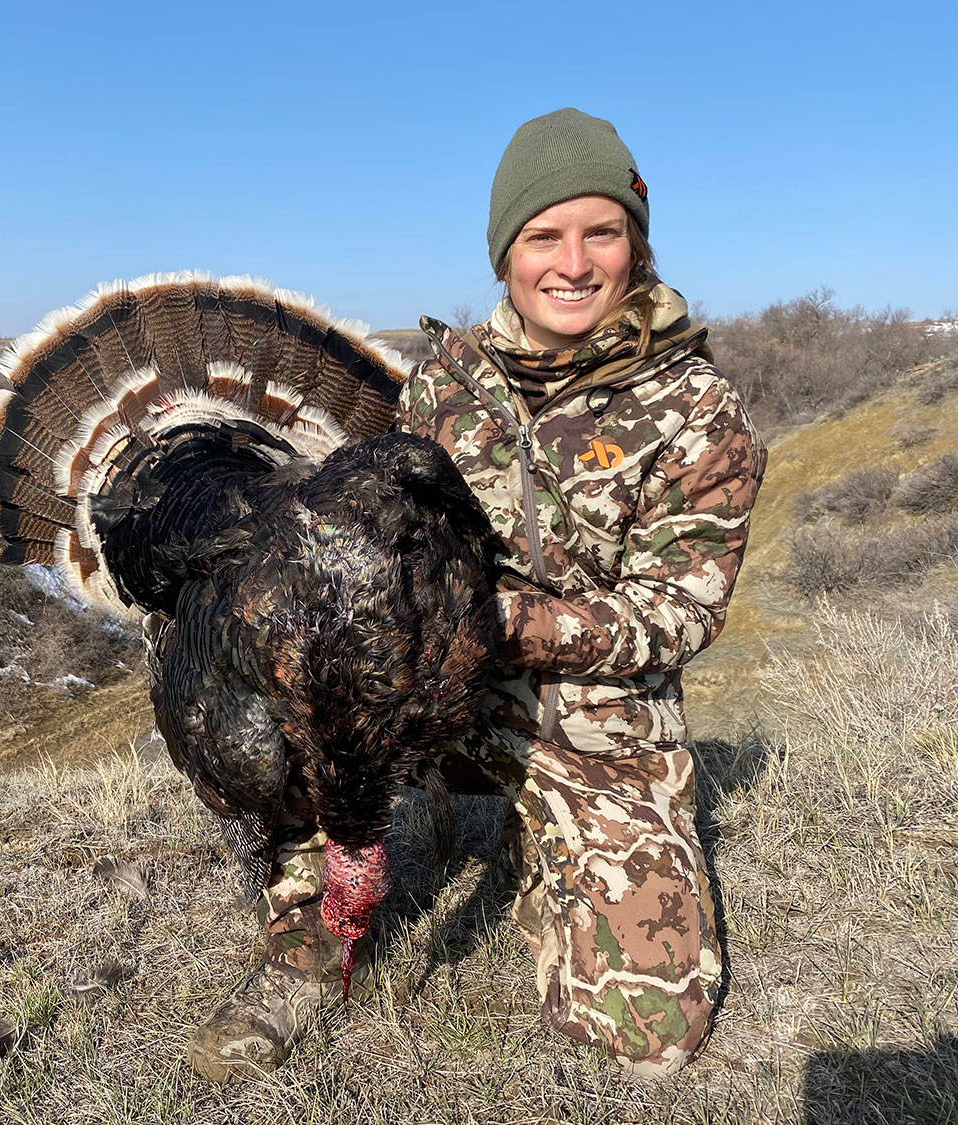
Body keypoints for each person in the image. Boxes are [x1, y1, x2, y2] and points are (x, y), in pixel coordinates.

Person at [187, 107, 767, 1082]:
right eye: (543, 235)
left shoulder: (696, 410)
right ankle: (309, 928)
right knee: (288, 695)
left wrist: (496, 620)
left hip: (596, 720)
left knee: (647, 1036)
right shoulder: (444, 385)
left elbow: (680, 616)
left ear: (636, 242)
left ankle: (559, 850)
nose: (572, 262)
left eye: (602, 232)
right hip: (431, 688)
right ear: (506, 253)